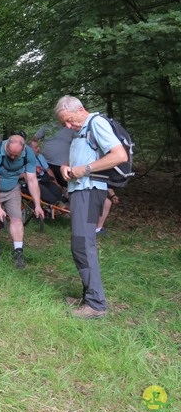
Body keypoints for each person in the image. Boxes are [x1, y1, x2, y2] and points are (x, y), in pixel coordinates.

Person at [55, 95, 127, 319]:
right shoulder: (81, 128)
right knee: (80, 244)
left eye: (68, 120)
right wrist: (67, 167)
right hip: (80, 191)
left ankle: (96, 305)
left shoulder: (96, 123)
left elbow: (119, 155)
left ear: (80, 109)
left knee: (83, 245)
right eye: (64, 123)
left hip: (90, 191)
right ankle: (88, 296)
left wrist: (84, 169)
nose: (68, 126)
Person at [0, 132, 44, 269]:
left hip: (12, 187)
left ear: (23, 149)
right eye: (10, 154)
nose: (13, 157)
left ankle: (18, 252)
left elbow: (32, 180)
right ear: (6, 145)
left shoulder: (29, 153)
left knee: (16, 219)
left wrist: (37, 204)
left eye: (17, 155)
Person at [34, 122, 77, 189]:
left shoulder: (72, 128)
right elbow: (34, 139)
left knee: (66, 185)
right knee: (51, 185)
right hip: (46, 163)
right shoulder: (47, 126)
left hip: (63, 165)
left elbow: (77, 146)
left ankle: (66, 197)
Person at [27, 138, 67, 205]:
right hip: (34, 182)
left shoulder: (40, 156)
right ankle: (56, 207)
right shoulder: (25, 159)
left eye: (38, 146)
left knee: (57, 191)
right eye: (36, 147)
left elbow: (48, 170)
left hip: (44, 179)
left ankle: (63, 205)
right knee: (47, 194)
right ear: (29, 149)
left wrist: (56, 183)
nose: (38, 149)